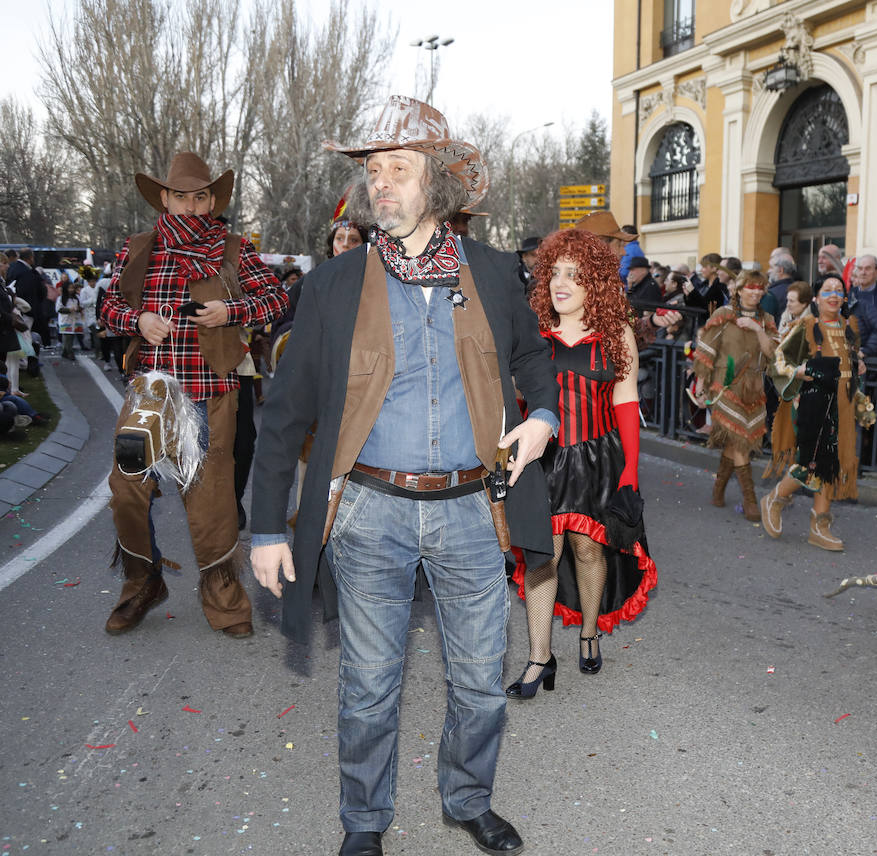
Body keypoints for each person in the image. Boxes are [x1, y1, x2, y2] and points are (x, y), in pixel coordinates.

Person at [250, 96, 552, 856]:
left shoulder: (489, 272)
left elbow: (533, 362)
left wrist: (543, 417)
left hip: (471, 513)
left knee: (482, 685)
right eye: (372, 171)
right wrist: (264, 527)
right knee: (368, 690)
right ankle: (363, 822)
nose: (380, 185)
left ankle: (468, 798)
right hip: (369, 513)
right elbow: (284, 413)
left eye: (398, 169)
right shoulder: (334, 284)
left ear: (437, 186)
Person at [99, 151, 288, 638]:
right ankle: (143, 583)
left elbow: (277, 296)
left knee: (211, 503)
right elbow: (108, 307)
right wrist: (137, 320)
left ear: (210, 200)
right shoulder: (139, 247)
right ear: (164, 197)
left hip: (211, 392)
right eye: (180, 195)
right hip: (150, 394)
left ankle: (225, 600)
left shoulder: (234, 248)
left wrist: (231, 311)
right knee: (125, 490)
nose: (190, 205)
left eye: (199, 196)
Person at [508, 228, 658, 703]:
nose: (560, 283)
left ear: (594, 281)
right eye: (554, 273)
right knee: (542, 555)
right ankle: (538, 657)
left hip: (597, 458)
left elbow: (626, 401)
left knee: (590, 552)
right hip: (542, 460)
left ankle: (589, 631)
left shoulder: (616, 334)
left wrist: (631, 468)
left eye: (573, 275)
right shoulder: (530, 331)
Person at [760, 274, 872, 551]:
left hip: (842, 408)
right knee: (812, 463)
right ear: (816, 297)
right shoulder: (806, 326)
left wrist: (856, 379)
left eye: (839, 291)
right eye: (827, 290)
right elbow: (778, 363)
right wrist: (799, 371)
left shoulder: (848, 327)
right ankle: (775, 498)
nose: (834, 295)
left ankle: (819, 526)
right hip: (813, 404)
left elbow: (848, 369)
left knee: (831, 466)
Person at [695, 270, 778, 520]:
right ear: (738, 290)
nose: (755, 292)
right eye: (750, 287)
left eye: (760, 287)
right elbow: (707, 350)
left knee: (736, 441)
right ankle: (750, 500)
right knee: (740, 440)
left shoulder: (767, 320)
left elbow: (772, 354)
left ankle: (718, 489)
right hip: (725, 384)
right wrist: (701, 383)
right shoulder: (724, 315)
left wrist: (757, 329)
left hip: (753, 386)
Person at [759, 255, 799, 321]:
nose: (768, 271)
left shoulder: (771, 293)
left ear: (781, 270)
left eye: (771, 267)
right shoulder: (798, 289)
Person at [56, 277, 84, 360]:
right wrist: (69, 310)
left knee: (71, 336)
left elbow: (81, 306)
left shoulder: (76, 298)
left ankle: (65, 352)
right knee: (67, 337)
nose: (71, 290)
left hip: (74, 320)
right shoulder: (61, 298)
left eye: (72, 288)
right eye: (69, 288)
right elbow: (58, 309)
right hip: (65, 320)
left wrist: (78, 309)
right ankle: (70, 353)